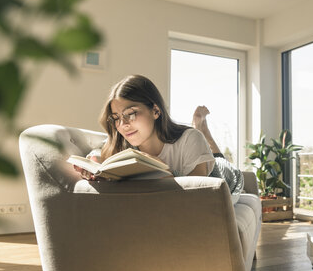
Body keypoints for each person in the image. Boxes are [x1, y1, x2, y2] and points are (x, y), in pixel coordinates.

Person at [74, 74, 243, 200]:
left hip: (224, 176)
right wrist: (94, 161)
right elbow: (99, 150)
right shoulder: (123, 141)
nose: (123, 125)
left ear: (155, 110)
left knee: (219, 158)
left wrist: (164, 170)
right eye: (117, 117)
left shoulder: (191, 139)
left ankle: (201, 126)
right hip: (195, 155)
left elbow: (198, 196)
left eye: (131, 114)